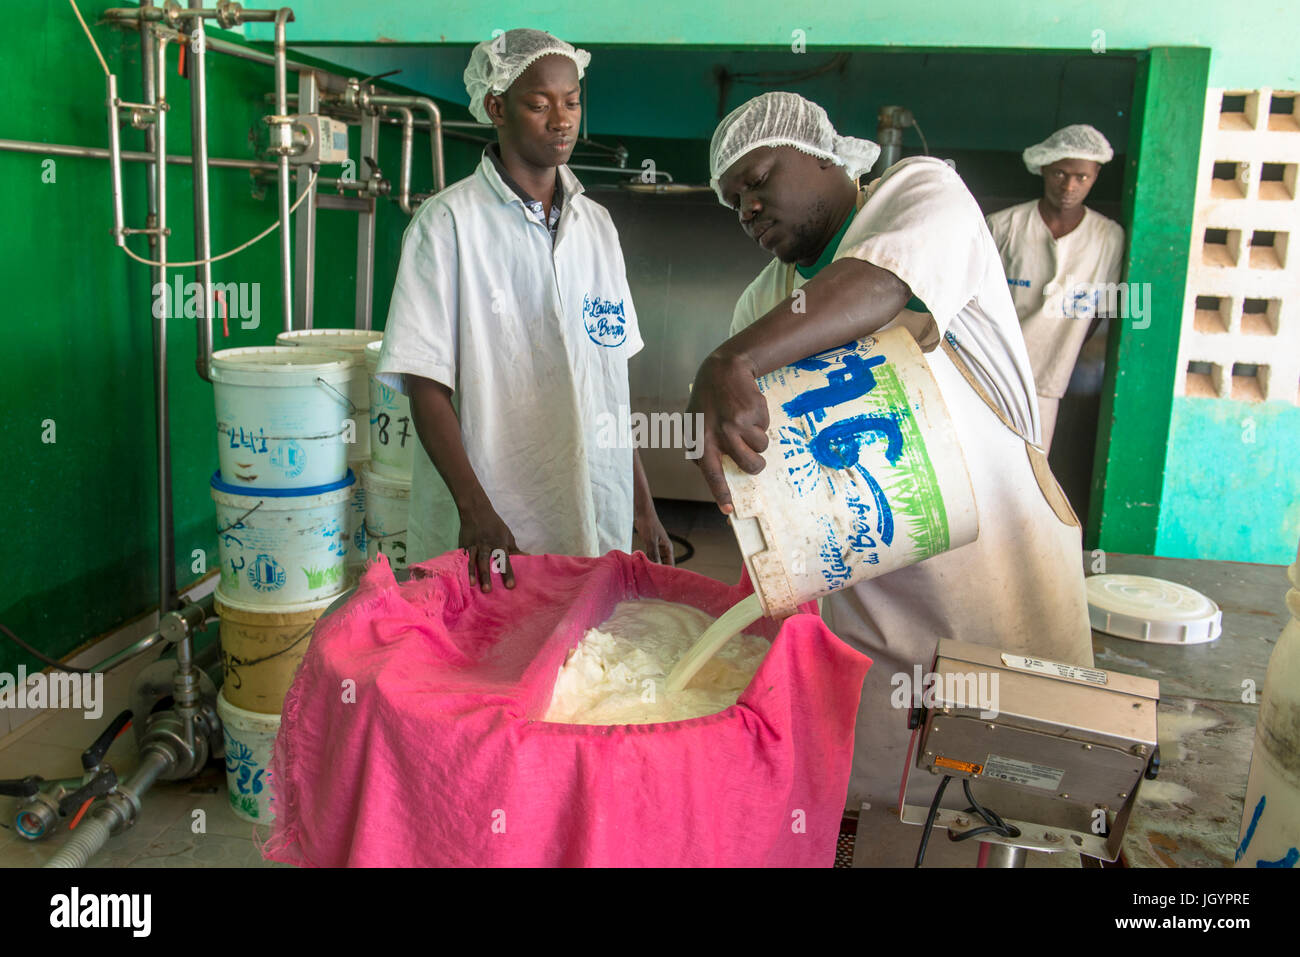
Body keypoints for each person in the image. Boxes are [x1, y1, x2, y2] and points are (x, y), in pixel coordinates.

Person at [690, 91, 1094, 825]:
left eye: (758, 178)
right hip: (876, 601)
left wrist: (730, 361)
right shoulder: (762, 302)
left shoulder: (921, 194)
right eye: (732, 200)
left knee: (1016, 811)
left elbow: (879, 286)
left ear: (823, 155)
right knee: (892, 820)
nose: (746, 207)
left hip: (997, 579)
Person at [376, 29, 672, 591]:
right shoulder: (447, 226)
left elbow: (611, 384)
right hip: (491, 519)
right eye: (539, 104)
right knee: (483, 662)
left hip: (591, 506)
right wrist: (475, 507)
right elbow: (425, 385)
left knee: (581, 665)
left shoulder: (598, 228)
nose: (562, 119)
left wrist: (641, 505)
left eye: (573, 101)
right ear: (497, 107)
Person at [986, 124, 1125, 451]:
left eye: (1082, 177)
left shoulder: (1108, 237)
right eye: (1060, 174)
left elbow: (1105, 313)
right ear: (1044, 168)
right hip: (989, 372)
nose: (1069, 186)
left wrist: (1062, 352)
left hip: (1049, 382)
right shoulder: (1004, 226)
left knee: (1033, 467)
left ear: (1096, 175)